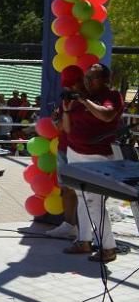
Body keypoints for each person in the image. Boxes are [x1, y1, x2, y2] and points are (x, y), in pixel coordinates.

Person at [61, 63, 124, 263]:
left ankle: (109, 248)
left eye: (92, 77)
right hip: (75, 153)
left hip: (97, 158)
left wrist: (85, 100)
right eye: (86, 77)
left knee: (94, 203)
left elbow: (107, 115)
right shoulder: (81, 98)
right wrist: (66, 111)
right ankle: (84, 241)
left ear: (106, 79)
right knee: (82, 199)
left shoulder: (111, 96)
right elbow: (68, 129)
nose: (87, 81)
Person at [46, 66, 85, 239]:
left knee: (84, 192)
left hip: (82, 150)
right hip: (64, 149)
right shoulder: (66, 99)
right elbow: (61, 127)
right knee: (66, 189)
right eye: (67, 85)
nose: (69, 88)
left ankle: (85, 231)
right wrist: (56, 118)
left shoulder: (88, 99)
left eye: (72, 84)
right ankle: (69, 226)